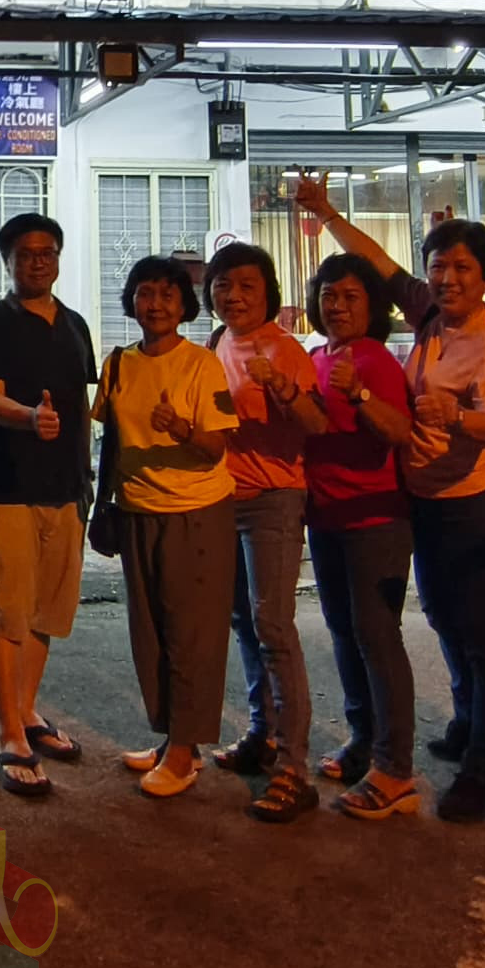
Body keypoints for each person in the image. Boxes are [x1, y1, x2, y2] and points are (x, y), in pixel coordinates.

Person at [298, 178, 485, 826]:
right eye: (439, 267)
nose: (448, 279)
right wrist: (328, 214)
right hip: (421, 500)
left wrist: (456, 414)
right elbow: (378, 264)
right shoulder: (428, 313)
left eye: (462, 268)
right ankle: (464, 721)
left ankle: (483, 768)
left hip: (475, 507)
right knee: (446, 623)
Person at [0, 211, 99, 798]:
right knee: (6, 612)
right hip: (7, 486)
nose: (37, 261)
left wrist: (86, 478)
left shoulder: (75, 326)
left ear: (59, 258)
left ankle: (27, 710)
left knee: (45, 611)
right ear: (8, 262)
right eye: (24, 254)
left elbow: (83, 408)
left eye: (46, 252)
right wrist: (31, 417)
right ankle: (8, 734)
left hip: (65, 488)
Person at [103, 256, 241, 798]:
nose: (155, 304)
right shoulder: (118, 364)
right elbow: (110, 443)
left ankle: (184, 753)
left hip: (196, 513)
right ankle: (173, 740)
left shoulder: (202, 364)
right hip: (138, 511)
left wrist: (181, 427)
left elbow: (215, 447)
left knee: (192, 636)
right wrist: (102, 506)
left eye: (167, 294)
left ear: (185, 305)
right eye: (144, 293)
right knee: (152, 635)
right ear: (131, 302)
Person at [204, 242, 328, 823]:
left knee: (274, 626)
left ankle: (295, 768)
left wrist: (281, 389)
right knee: (243, 623)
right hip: (223, 500)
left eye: (246, 285)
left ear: (268, 292)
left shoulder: (285, 349)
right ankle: (263, 733)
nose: (233, 295)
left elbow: (315, 424)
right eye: (224, 285)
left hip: (274, 500)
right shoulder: (217, 344)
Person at [302, 252, 424, 821]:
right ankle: (362, 742)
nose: (338, 306)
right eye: (329, 295)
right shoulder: (317, 357)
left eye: (351, 296)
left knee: (378, 638)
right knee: (345, 636)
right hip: (326, 519)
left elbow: (400, 432)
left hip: (376, 521)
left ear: (372, 305)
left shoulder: (374, 360)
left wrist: (361, 397)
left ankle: (396, 768)